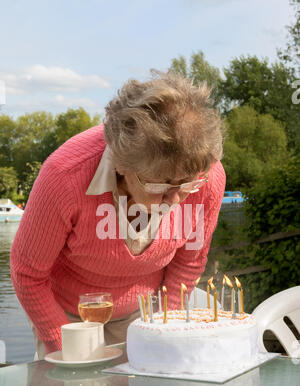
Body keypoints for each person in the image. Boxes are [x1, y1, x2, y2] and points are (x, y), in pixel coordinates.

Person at [10, 70, 226, 359]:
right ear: (121, 163)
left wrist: (161, 328)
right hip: (69, 316)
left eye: (187, 183)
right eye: (159, 184)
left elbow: (189, 263)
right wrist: (68, 348)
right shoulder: (64, 176)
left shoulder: (207, 178)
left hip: (147, 310)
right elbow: (28, 275)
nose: (174, 200)